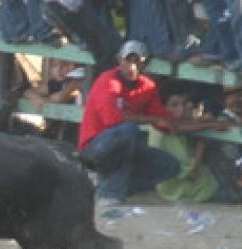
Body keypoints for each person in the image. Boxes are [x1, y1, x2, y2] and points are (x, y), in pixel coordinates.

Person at [77, 41, 188, 205]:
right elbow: (112, 119)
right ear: (119, 60)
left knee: (169, 166)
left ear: (144, 65)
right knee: (128, 131)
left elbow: (163, 121)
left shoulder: (148, 87)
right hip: (94, 147)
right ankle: (109, 192)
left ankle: (111, 187)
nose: (133, 67)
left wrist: (200, 122)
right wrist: (155, 119)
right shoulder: (107, 81)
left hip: (125, 145)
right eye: (128, 61)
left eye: (138, 62)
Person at [146, 83, 230, 203]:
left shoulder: (171, 123)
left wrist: (202, 122)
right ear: (162, 108)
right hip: (184, 190)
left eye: (183, 104)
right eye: (174, 105)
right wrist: (203, 140)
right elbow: (192, 174)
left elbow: (184, 125)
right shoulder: (161, 127)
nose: (180, 109)